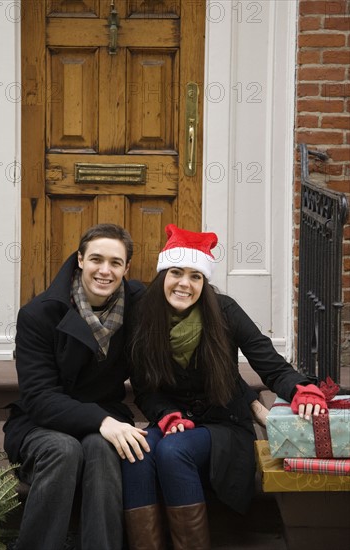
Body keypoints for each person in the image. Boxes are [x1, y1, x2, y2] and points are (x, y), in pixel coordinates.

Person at [122, 224, 328, 550]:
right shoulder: (144, 315)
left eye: (195, 276)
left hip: (225, 424)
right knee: (137, 452)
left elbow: (270, 364)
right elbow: (145, 390)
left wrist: (301, 388)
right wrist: (167, 415)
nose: (184, 284)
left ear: (204, 282)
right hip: (174, 420)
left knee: (173, 451)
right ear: (164, 274)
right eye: (177, 272)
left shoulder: (224, 311)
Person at [3, 223, 150, 550]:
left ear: (126, 269)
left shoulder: (139, 305)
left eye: (115, 263)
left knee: (101, 448)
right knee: (63, 449)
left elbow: (193, 307)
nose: (105, 270)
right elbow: (39, 398)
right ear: (80, 259)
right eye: (96, 259)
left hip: (106, 416)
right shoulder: (39, 314)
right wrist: (101, 421)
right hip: (42, 421)